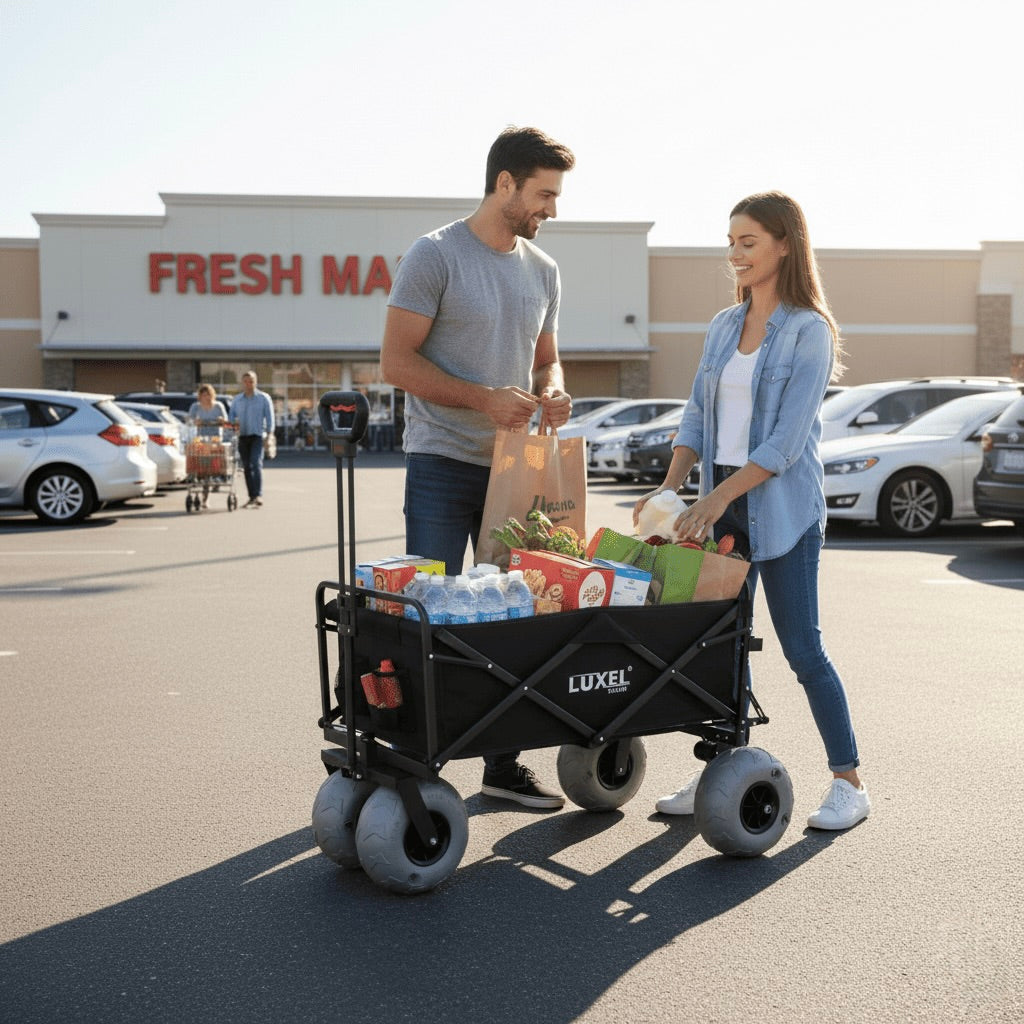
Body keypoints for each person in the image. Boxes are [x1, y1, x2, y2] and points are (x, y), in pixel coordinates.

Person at [634, 191, 870, 831]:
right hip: (720, 510)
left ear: (785, 245)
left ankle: (848, 782)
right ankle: (721, 770)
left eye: (749, 242)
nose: (734, 254)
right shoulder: (720, 326)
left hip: (783, 514)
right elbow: (696, 416)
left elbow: (786, 445)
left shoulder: (808, 331)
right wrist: (672, 486)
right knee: (717, 647)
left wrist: (715, 498)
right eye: (730, 241)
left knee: (802, 649)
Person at [380, 125, 576, 811]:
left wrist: (550, 390)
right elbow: (396, 363)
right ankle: (410, 763)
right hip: (439, 460)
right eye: (544, 194)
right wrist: (483, 399)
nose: (552, 208)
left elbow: (547, 355)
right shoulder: (434, 256)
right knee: (425, 616)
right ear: (504, 185)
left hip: (514, 470)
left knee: (514, 617)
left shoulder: (543, 270)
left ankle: (502, 766)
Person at [229, 371, 274, 508]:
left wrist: (270, 435)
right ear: (242, 383)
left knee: (256, 463)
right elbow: (231, 419)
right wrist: (232, 426)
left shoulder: (263, 398)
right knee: (247, 466)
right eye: (246, 381)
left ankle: (258, 495)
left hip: (257, 436)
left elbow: (270, 418)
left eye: (251, 381)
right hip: (242, 437)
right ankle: (252, 496)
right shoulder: (237, 400)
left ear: (256, 382)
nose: (249, 384)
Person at [187, 383, 228, 508]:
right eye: (204, 395)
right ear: (200, 396)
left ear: (213, 395)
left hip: (215, 441)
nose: (207, 397)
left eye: (209, 394)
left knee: (210, 469)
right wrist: (195, 422)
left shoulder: (218, 406)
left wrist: (221, 421)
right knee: (202, 470)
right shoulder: (195, 407)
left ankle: (209, 492)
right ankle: (201, 494)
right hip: (201, 441)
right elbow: (189, 421)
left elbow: (226, 421)